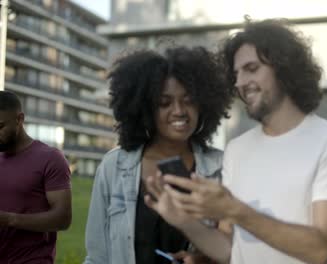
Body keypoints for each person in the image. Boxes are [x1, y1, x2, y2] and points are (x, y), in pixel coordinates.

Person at [144, 18, 327, 264]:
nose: (239, 82)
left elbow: (320, 248)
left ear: (283, 67)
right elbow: (228, 250)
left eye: (251, 68)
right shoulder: (237, 149)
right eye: (236, 74)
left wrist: (235, 209)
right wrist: (183, 220)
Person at [83, 46, 233, 264]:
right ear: (144, 108)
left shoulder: (224, 167)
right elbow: (97, 256)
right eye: (165, 103)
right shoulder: (114, 166)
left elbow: (237, 253)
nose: (179, 110)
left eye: (188, 100)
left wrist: (205, 260)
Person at [0, 91, 72, 263]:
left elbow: (63, 218)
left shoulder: (51, 158)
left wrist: (10, 219)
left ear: (19, 119)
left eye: (0, 126)